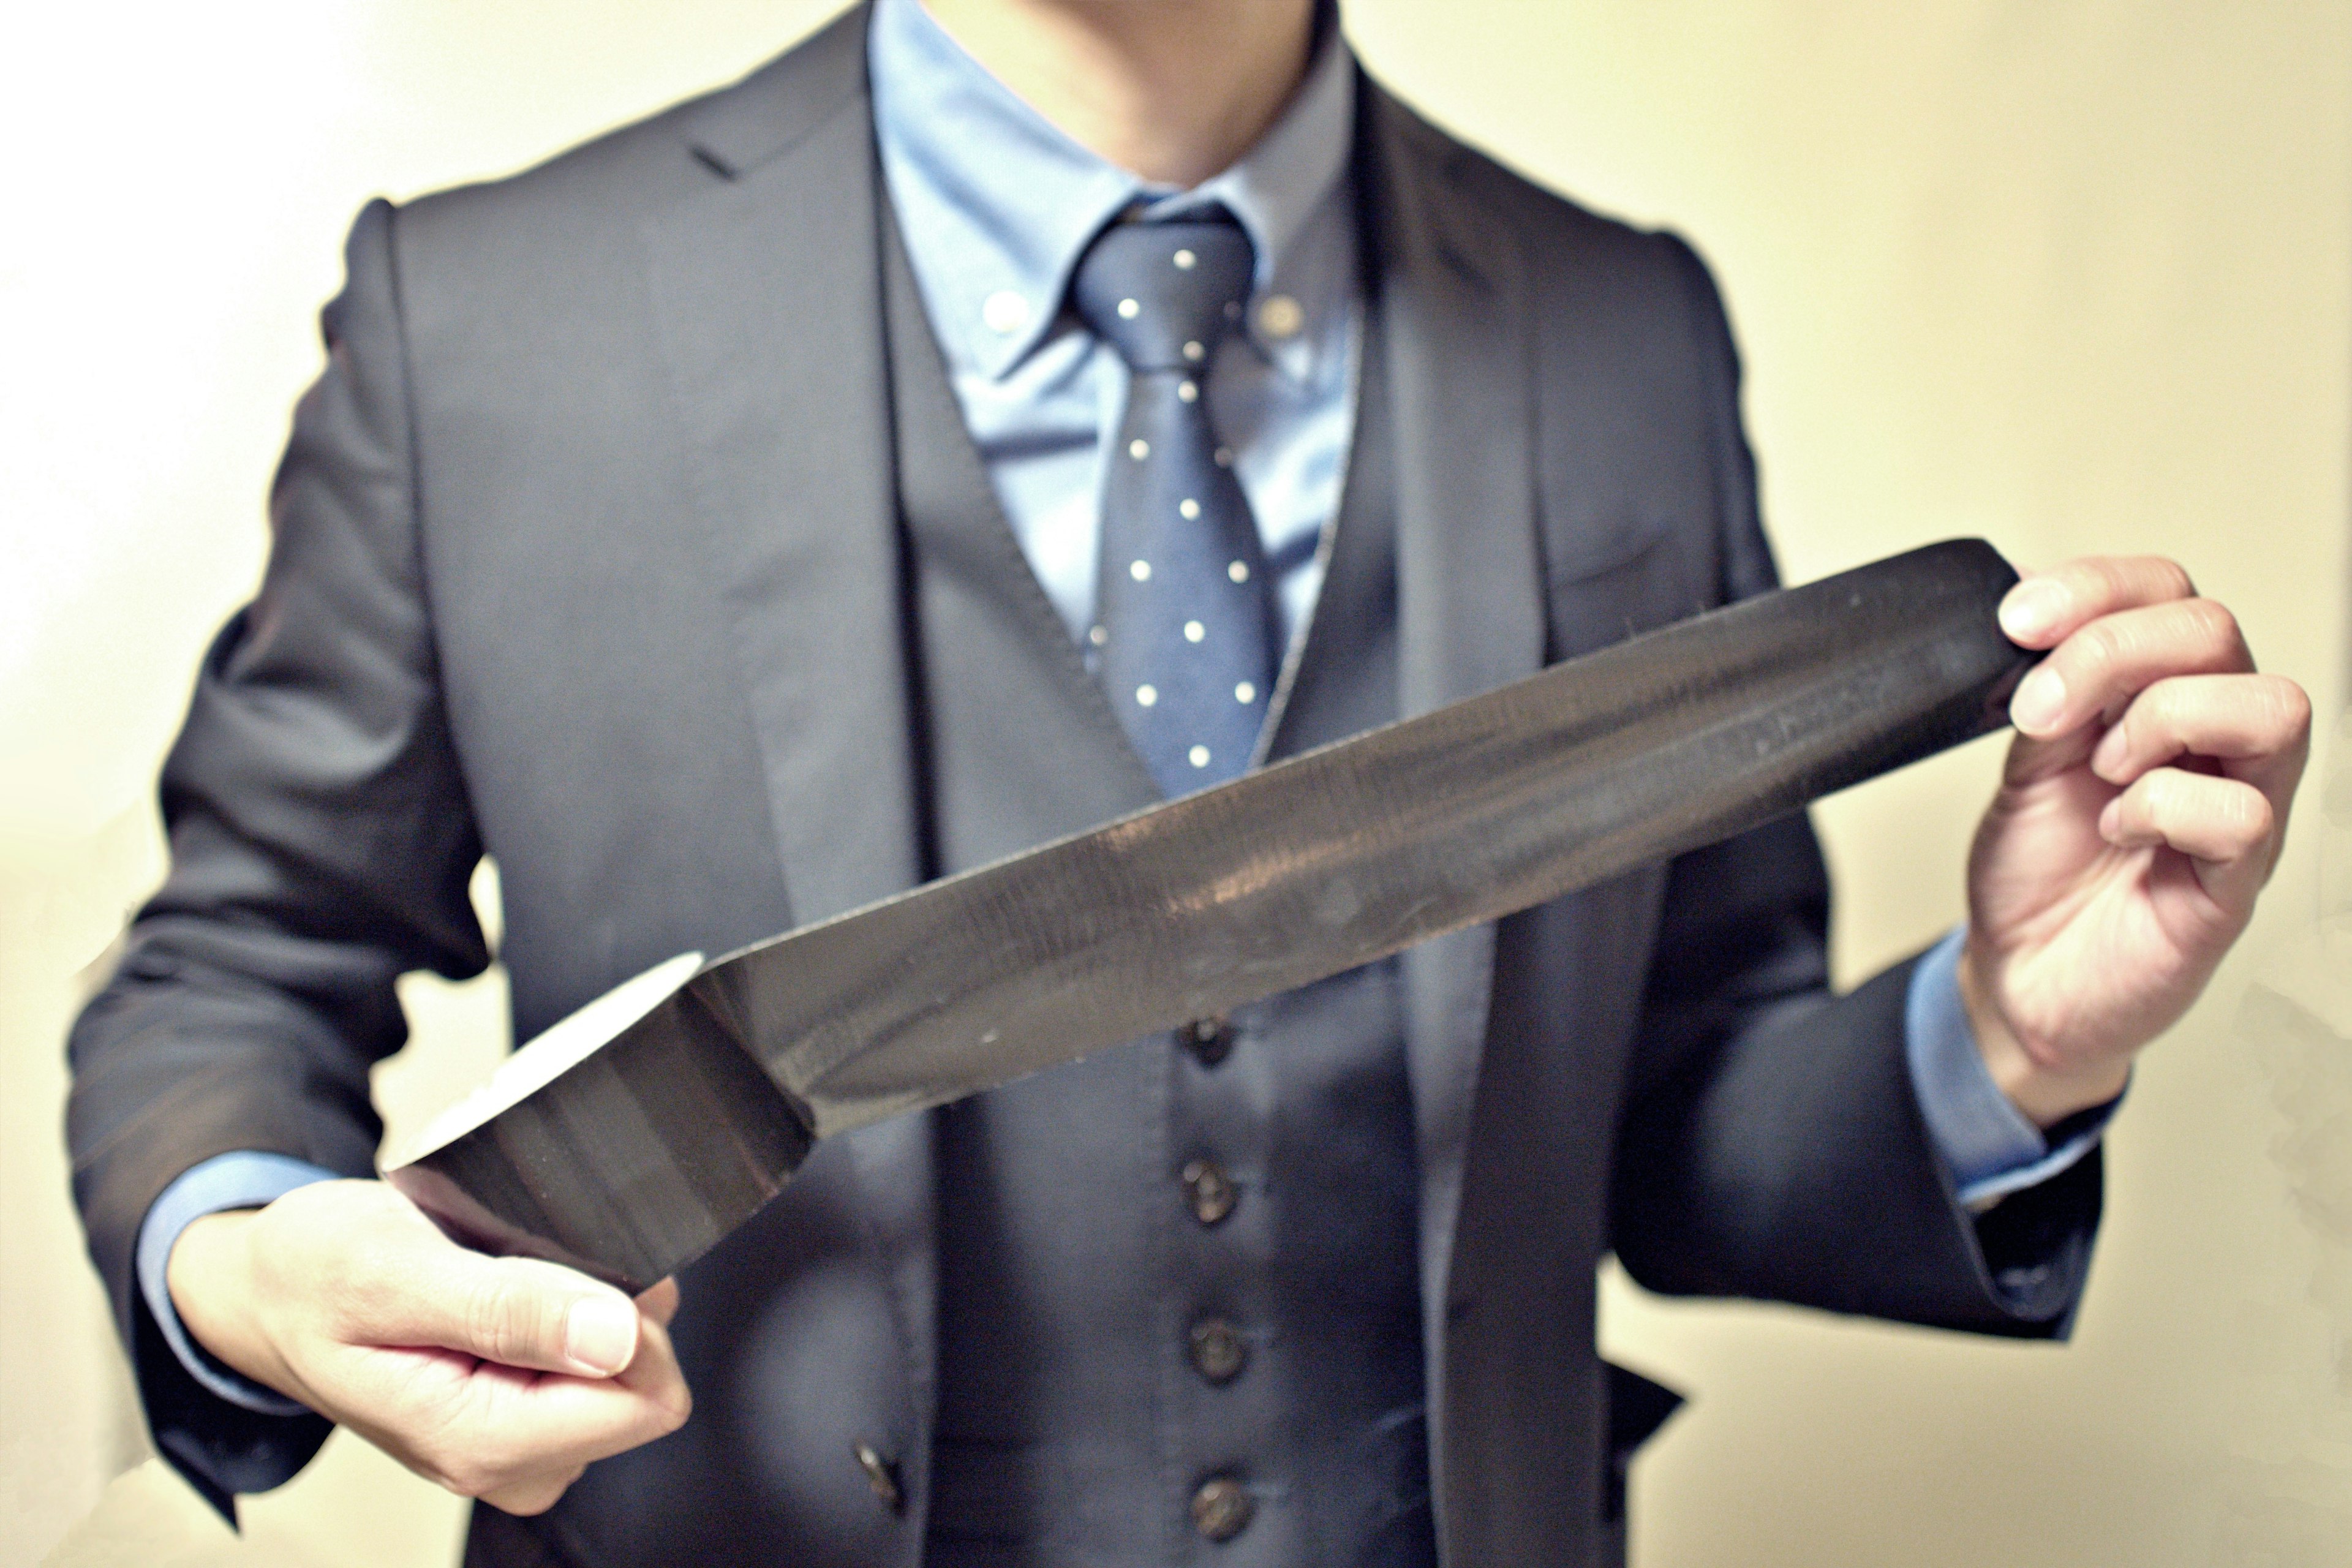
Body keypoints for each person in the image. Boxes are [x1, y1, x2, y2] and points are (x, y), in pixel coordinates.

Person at [65, 1, 2311, 1564]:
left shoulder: (1623, 328)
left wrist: (2003, 1040)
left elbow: (1677, 1103)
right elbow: (233, 967)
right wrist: (246, 1255)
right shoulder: (488, 319)